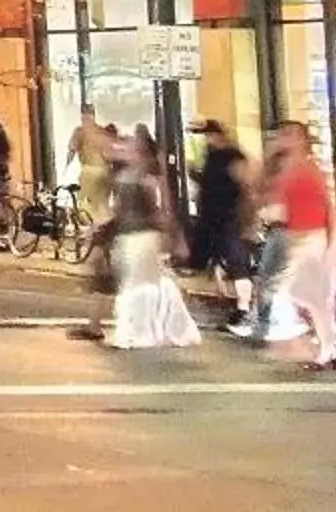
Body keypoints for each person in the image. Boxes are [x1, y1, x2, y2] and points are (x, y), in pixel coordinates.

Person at [255, 121, 336, 369]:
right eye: (282, 135)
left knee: (292, 294)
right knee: (305, 296)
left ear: (303, 140)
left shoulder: (306, 170)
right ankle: (326, 347)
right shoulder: (291, 169)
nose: (283, 139)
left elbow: (311, 207)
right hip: (301, 238)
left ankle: (309, 345)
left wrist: (268, 214)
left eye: (289, 135)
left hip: (308, 238)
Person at [102, 133, 198, 351]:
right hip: (130, 235)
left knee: (139, 285)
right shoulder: (126, 175)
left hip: (143, 236)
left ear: (140, 153)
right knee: (144, 283)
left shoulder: (147, 178)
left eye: (130, 147)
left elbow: (161, 211)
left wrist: (173, 236)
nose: (124, 149)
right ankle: (158, 327)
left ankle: (139, 331)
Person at [186, 121, 252, 321]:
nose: (207, 140)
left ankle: (244, 307)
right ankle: (228, 299)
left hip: (228, 216)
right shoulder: (211, 156)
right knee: (216, 258)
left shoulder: (232, 156)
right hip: (212, 217)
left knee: (236, 261)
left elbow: (245, 185)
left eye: (209, 135)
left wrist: (247, 218)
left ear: (218, 135)